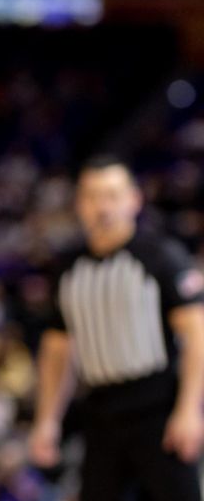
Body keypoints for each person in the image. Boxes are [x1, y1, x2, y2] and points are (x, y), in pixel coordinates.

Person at [29, 155, 204, 501]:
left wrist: (189, 410)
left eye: (112, 195)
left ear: (133, 200)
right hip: (100, 415)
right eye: (92, 197)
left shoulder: (161, 257)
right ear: (79, 204)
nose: (102, 207)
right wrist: (47, 420)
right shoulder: (67, 268)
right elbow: (57, 351)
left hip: (159, 410)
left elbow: (197, 334)